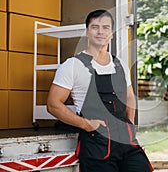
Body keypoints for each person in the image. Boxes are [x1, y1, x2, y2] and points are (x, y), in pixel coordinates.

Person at [47, 9, 153, 172]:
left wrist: (130, 124)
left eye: (106, 27)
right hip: (97, 145)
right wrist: (86, 124)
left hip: (126, 142)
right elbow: (53, 104)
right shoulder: (73, 65)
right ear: (87, 32)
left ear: (112, 33)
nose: (100, 31)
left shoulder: (120, 64)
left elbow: (130, 97)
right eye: (95, 27)